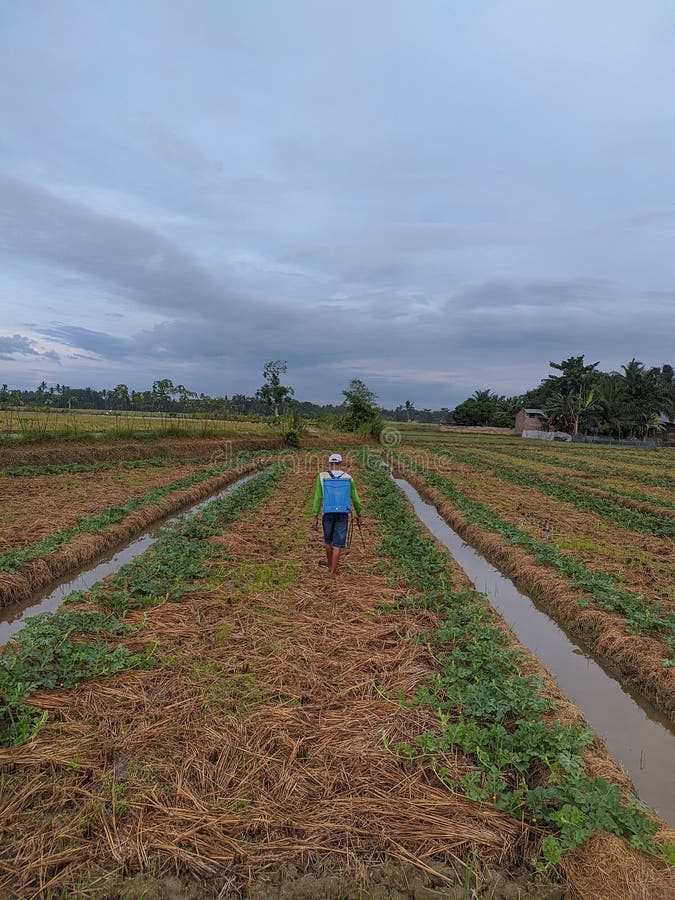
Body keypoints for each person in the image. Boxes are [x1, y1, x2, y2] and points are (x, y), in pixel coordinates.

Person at [312, 453, 362, 579]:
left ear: (329, 463)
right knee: (337, 544)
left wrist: (315, 515)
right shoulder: (348, 477)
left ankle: (330, 567)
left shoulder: (322, 476)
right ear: (340, 464)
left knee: (328, 541)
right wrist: (359, 513)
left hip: (327, 513)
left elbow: (318, 497)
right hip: (342, 513)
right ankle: (333, 573)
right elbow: (355, 498)